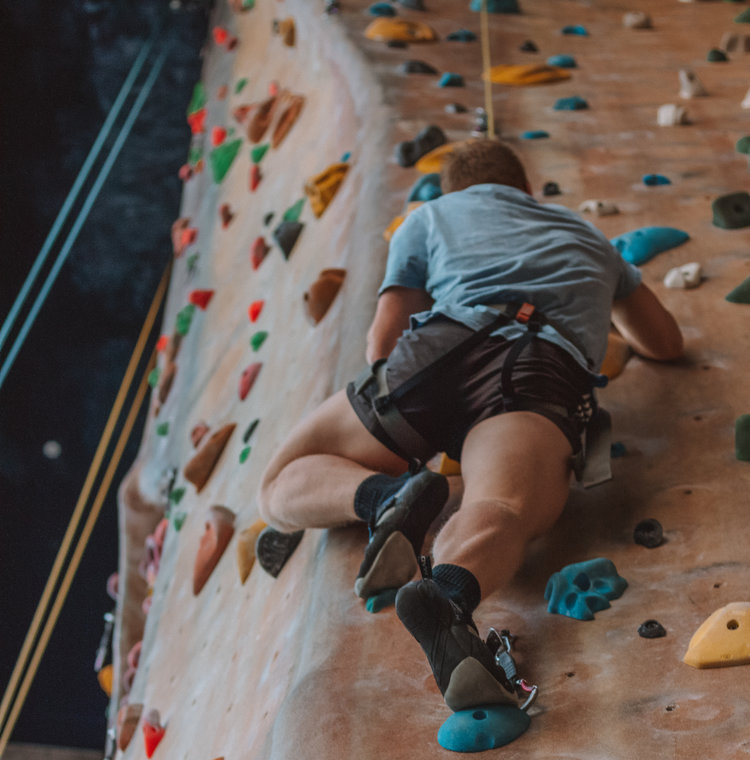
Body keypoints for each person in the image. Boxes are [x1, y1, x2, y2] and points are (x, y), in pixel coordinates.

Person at [258, 139, 683, 713]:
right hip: (541, 367)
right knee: (503, 506)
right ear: (525, 190)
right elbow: (664, 343)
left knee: (279, 483)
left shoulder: (429, 216)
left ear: (454, 188)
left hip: (439, 348)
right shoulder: (590, 239)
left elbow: (382, 343)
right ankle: (450, 598)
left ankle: (384, 495)